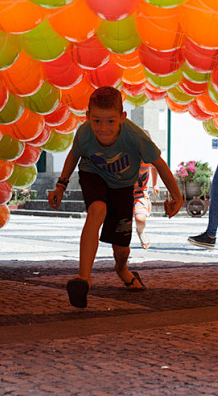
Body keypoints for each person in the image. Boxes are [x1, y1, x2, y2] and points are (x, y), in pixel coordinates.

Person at [48, 86, 183, 308]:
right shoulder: (84, 133)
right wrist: (61, 185)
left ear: (122, 117)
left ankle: (122, 269)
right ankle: (84, 280)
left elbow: (160, 164)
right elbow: (73, 155)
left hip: (123, 187)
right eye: (97, 121)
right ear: (88, 117)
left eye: (110, 121)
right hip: (94, 175)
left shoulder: (135, 136)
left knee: (121, 248)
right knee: (97, 209)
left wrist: (177, 197)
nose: (103, 128)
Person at [133, 161, 159, 249]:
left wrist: (155, 184)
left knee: (140, 219)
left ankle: (140, 231)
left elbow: (156, 166)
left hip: (140, 193)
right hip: (122, 192)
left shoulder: (145, 157)